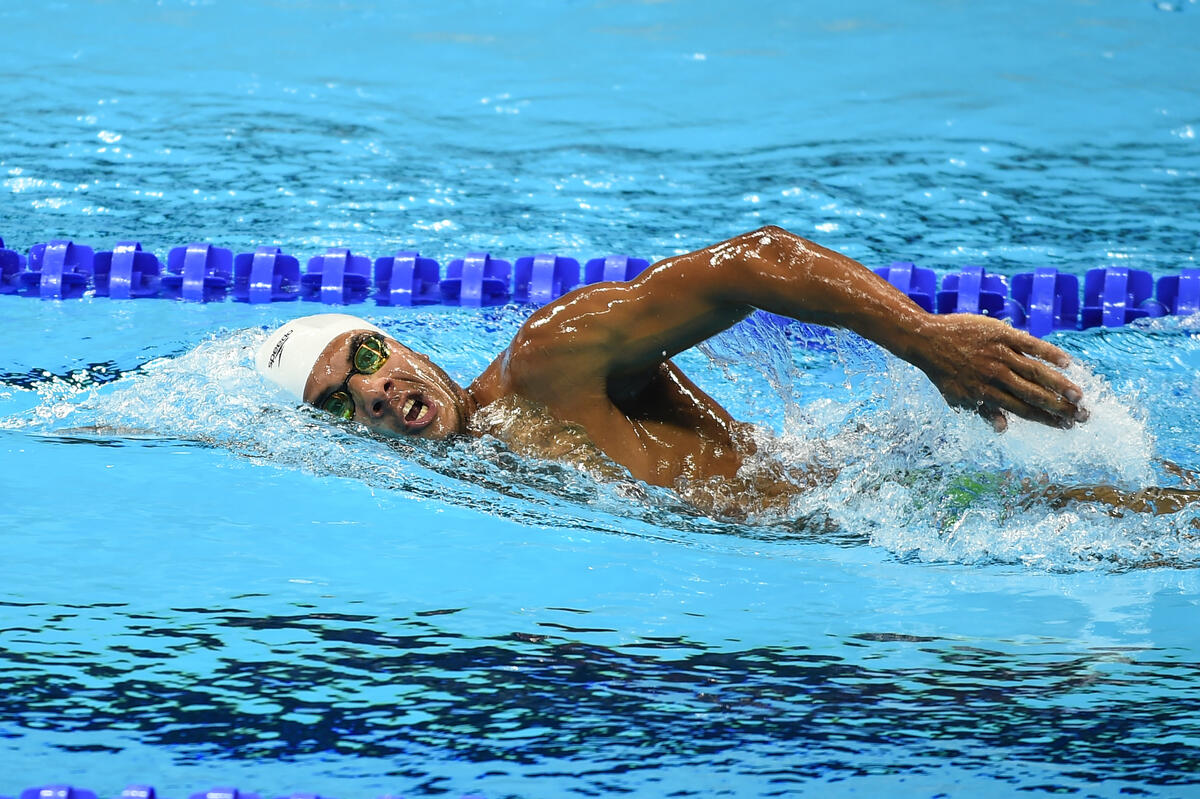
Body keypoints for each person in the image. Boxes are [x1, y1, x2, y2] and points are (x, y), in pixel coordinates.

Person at [256, 226, 1198, 516]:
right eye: (341, 401)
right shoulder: (465, 464)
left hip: (859, 504)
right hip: (837, 511)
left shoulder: (547, 357)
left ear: (401, 345)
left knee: (1144, 519)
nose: (372, 390)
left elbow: (751, 260)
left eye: (367, 358)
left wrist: (922, 340)